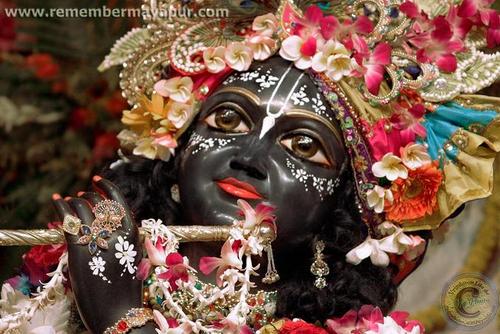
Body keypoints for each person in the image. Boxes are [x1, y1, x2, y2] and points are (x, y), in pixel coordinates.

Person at [1, 1, 499, 333]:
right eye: (228, 117)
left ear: (343, 204)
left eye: (303, 146)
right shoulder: (65, 278)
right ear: (175, 148)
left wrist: (118, 314)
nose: (250, 157)